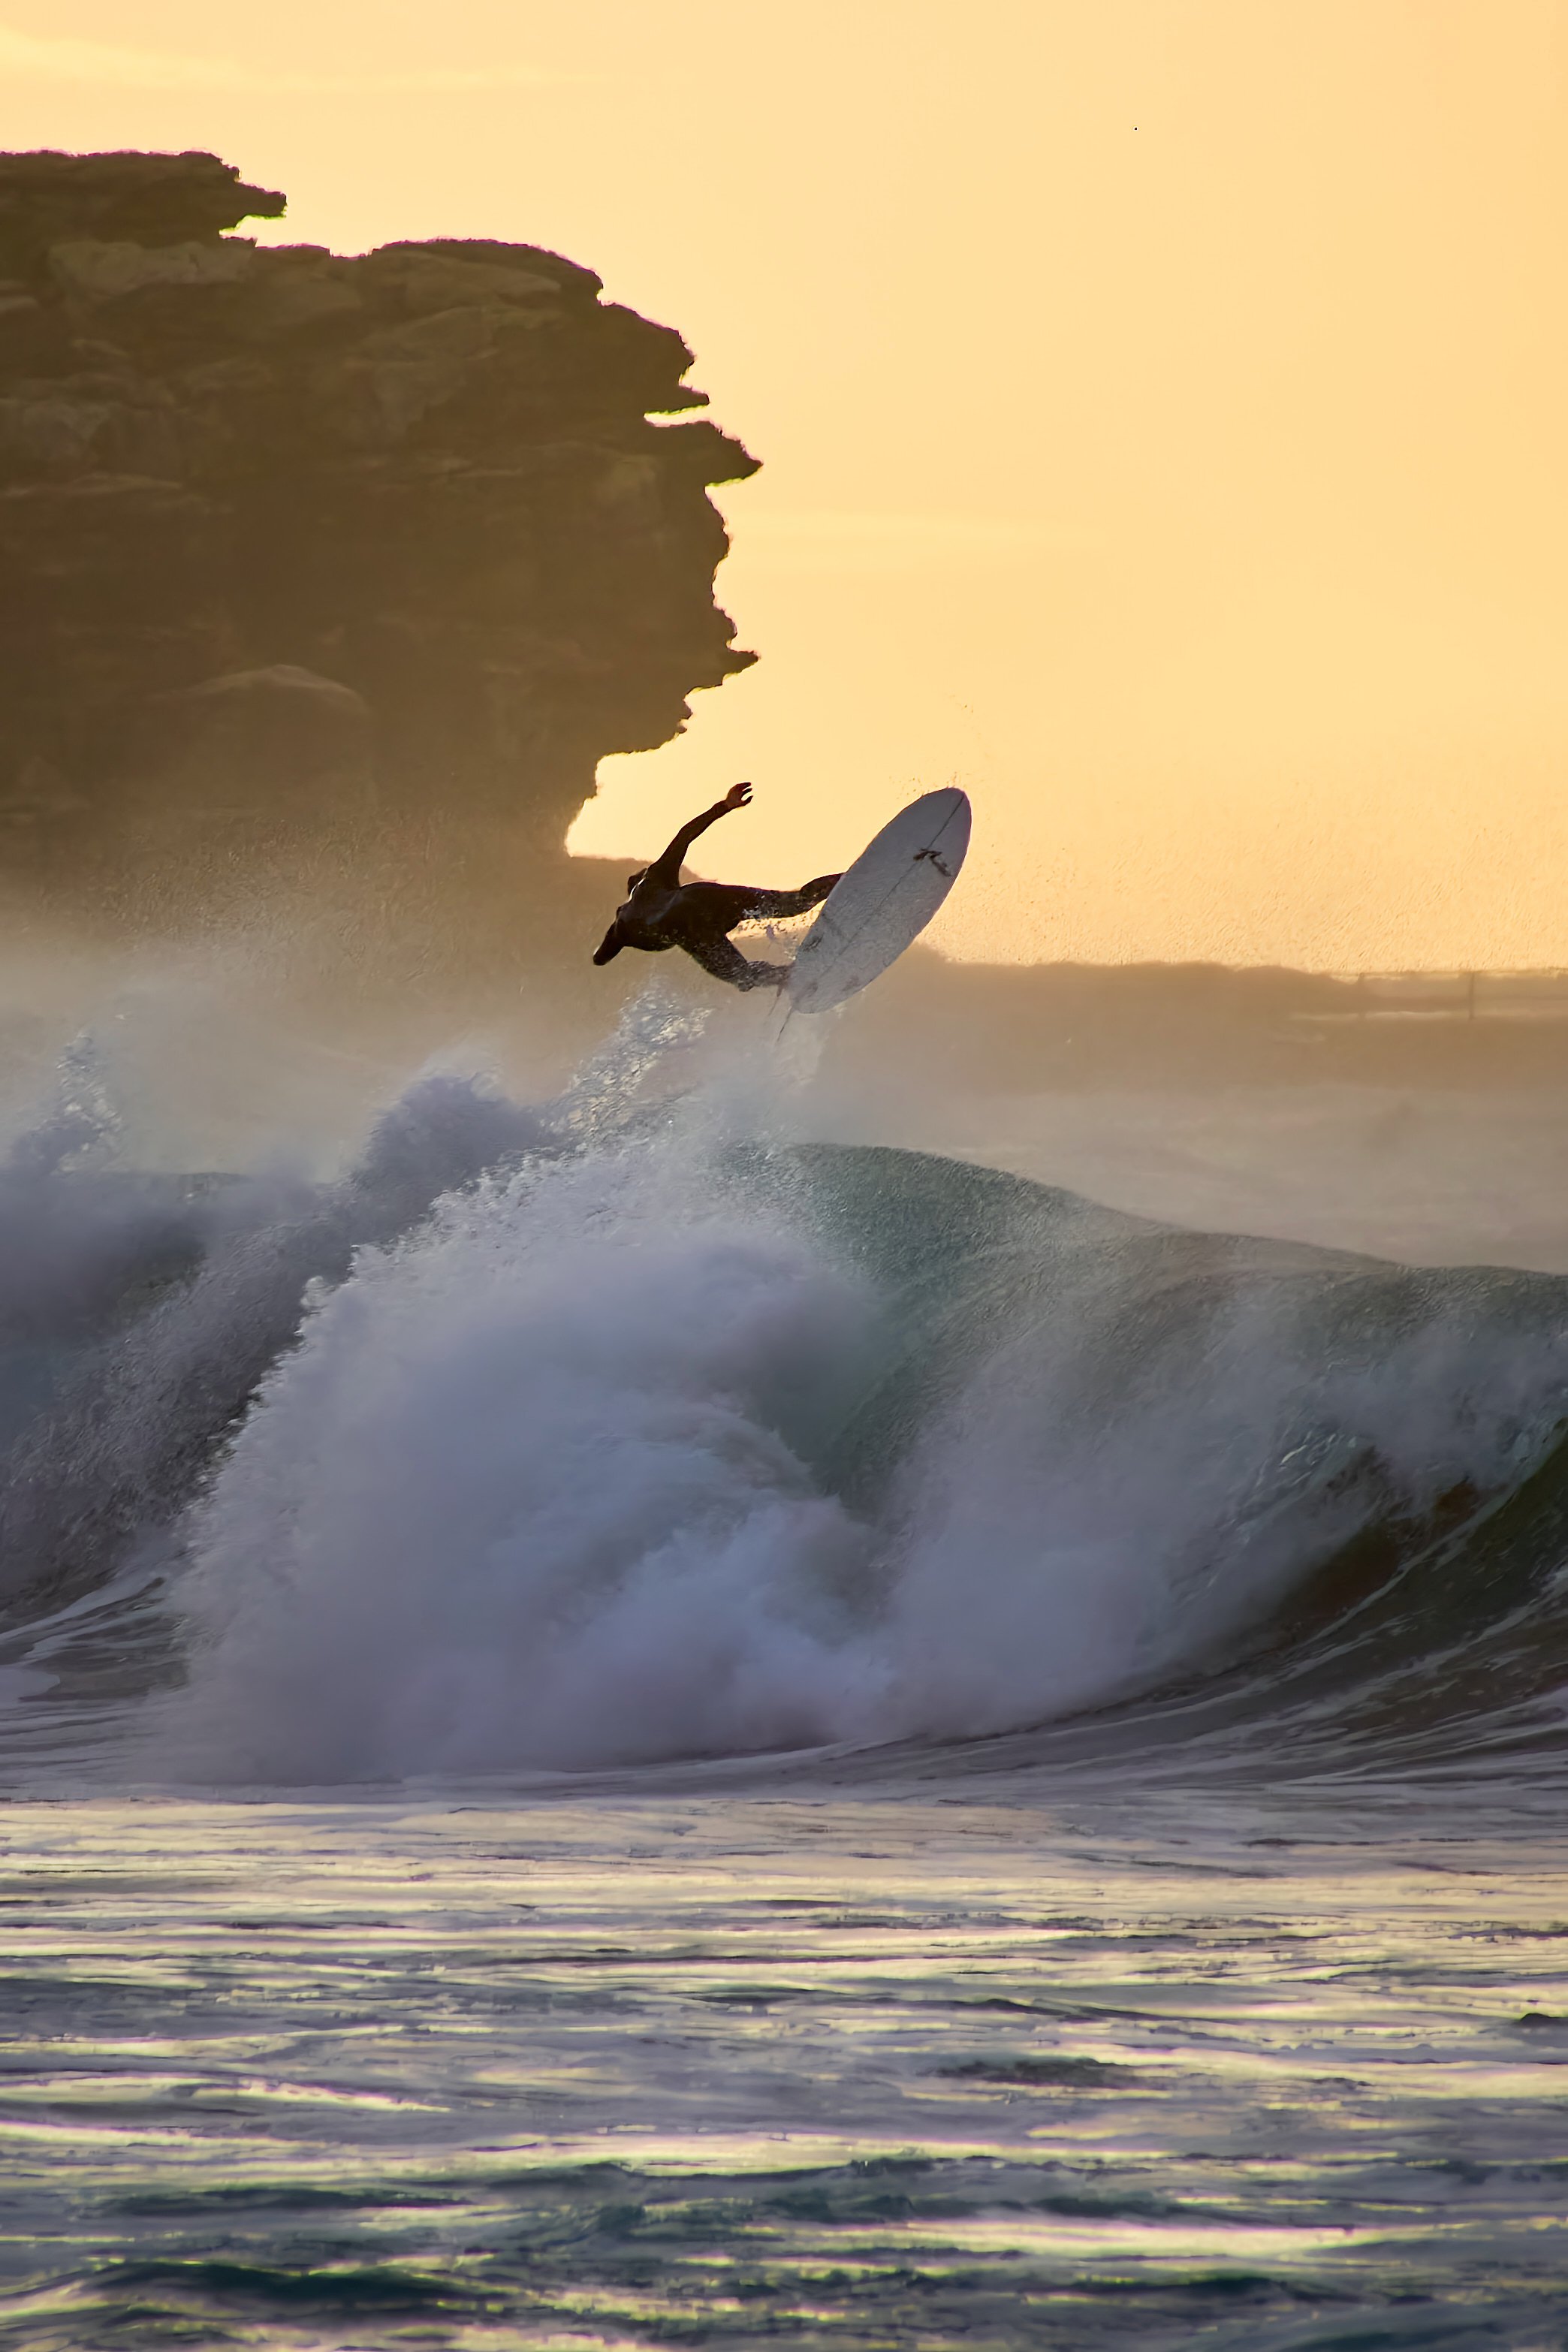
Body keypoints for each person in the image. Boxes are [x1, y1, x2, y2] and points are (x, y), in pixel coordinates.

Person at [591, 782, 840, 991]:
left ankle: (797, 977)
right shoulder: (655, 877)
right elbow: (684, 836)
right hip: (702, 897)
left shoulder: (623, 924)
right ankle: (845, 878)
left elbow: (600, 959)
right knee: (794, 903)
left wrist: (607, 949)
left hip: (688, 926)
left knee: (743, 976)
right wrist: (724, 806)